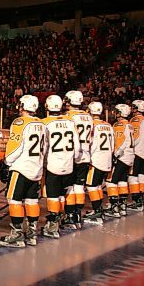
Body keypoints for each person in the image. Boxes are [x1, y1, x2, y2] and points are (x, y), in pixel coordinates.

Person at [0, 95, 45, 247]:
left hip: (21, 168)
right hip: (36, 167)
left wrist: (6, 162)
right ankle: (32, 234)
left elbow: (15, 147)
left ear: (23, 106)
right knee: (32, 201)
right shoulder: (42, 124)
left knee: (14, 200)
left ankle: (17, 234)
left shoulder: (19, 122)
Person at [42, 95, 81, 238]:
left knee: (53, 195)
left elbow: (44, 147)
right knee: (63, 194)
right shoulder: (70, 121)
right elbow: (77, 144)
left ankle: (53, 225)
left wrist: (43, 163)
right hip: (69, 163)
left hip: (53, 164)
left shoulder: (45, 122)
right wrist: (74, 158)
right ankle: (63, 218)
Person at [65, 90, 93, 228]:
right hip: (86, 154)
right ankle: (77, 215)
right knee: (79, 187)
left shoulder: (68, 116)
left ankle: (70, 216)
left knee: (70, 187)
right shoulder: (88, 116)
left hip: (73, 155)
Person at [83, 102, 114, 225]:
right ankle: (99, 209)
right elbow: (112, 145)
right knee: (97, 186)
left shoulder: (91, 125)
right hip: (106, 158)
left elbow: (90, 143)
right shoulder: (108, 125)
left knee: (91, 186)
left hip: (95, 159)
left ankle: (97, 212)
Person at [105, 104, 133, 218]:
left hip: (122, 156)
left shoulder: (120, 124)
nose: (115, 113)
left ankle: (114, 207)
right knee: (122, 181)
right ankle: (122, 205)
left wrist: (116, 153)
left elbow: (124, 141)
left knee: (111, 181)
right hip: (130, 155)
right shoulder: (129, 124)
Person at [129, 100, 144, 211]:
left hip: (137, 151)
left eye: (133, 107)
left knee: (133, 176)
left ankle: (136, 200)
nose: (132, 108)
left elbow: (135, 136)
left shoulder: (135, 120)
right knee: (142, 175)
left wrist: (130, 147)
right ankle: (141, 197)